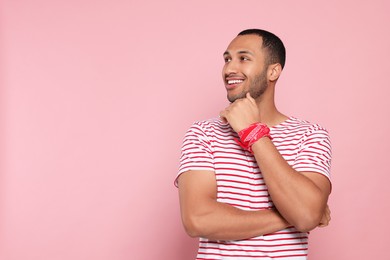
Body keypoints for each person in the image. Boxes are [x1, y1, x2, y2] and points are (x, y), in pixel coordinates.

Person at [175, 29, 332, 259]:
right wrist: (291, 217)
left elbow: (307, 215)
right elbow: (197, 219)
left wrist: (253, 133)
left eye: (244, 58)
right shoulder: (203, 133)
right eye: (227, 59)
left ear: (273, 71)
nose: (229, 69)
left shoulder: (310, 135)